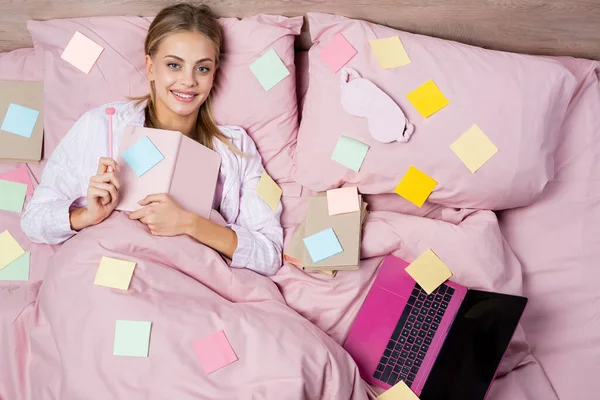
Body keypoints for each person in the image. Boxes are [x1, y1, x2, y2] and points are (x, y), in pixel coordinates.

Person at [21, 4, 283, 276]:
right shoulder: (101, 124)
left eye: (202, 69)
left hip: (188, 281)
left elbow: (270, 254)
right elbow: (34, 221)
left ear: (214, 72)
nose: (188, 81)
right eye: (173, 65)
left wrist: (190, 223)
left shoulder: (237, 148)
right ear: (150, 67)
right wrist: (87, 216)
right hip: (105, 274)